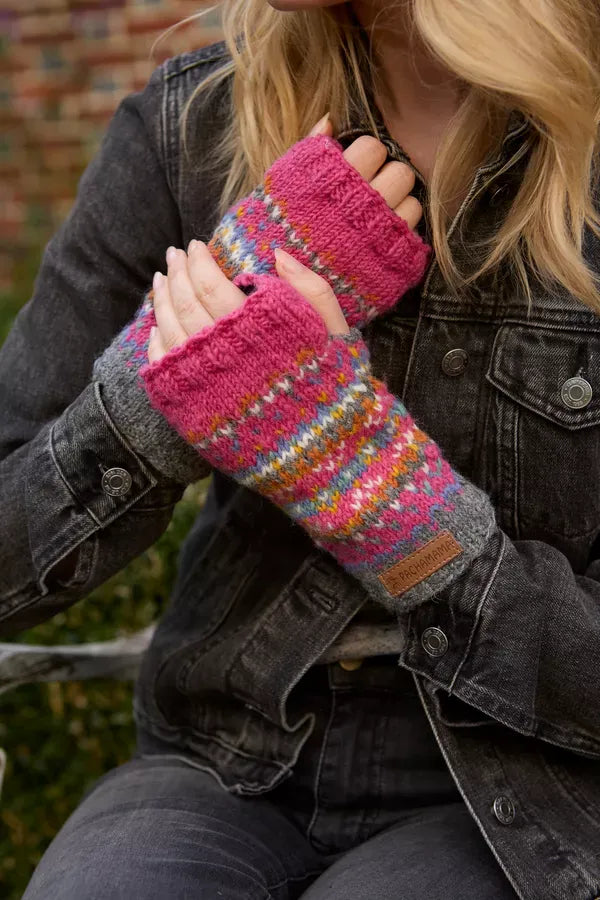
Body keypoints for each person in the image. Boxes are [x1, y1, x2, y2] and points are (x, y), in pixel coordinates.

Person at [2, 0, 600, 896]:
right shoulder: (193, 124)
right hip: (222, 754)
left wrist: (366, 481)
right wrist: (179, 376)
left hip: (525, 780)